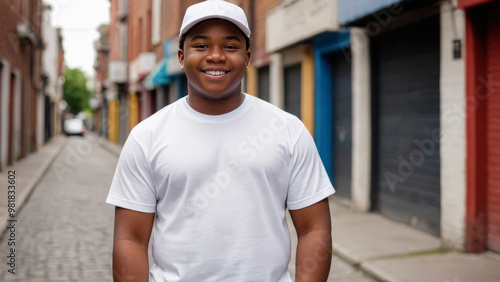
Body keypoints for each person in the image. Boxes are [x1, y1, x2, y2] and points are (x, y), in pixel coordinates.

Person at [106, 0, 335, 281]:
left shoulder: (288, 130)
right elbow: (130, 239)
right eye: (201, 46)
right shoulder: (147, 137)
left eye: (230, 46)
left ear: (248, 58)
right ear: (181, 56)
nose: (216, 56)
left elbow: (315, 229)